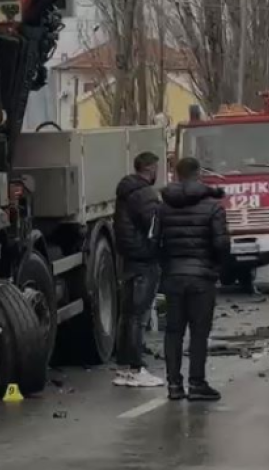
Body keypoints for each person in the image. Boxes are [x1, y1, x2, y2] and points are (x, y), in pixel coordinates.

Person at [157, 156, 230, 401]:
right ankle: (197, 384)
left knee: (173, 331)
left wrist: (166, 266)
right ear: (198, 174)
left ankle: (174, 385)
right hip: (202, 277)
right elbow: (221, 244)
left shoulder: (163, 205)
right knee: (199, 332)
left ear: (176, 175)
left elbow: (154, 241)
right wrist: (216, 267)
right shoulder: (213, 206)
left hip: (174, 277)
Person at [112, 151, 164, 388]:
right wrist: (159, 251)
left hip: (129, 259)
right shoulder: (145, 195)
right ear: (151, 169)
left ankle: (124, 366)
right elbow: (154, 229)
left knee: (128, 314)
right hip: (144, 261)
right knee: (138, 316)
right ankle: (136, 367)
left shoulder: (126, 191)